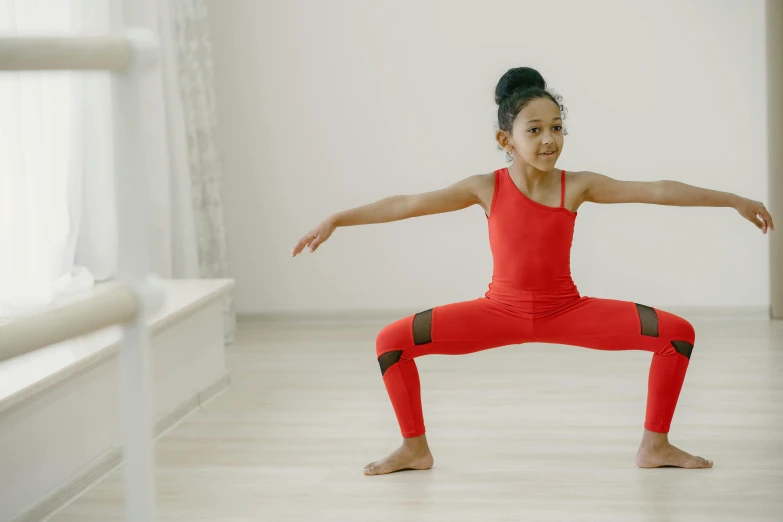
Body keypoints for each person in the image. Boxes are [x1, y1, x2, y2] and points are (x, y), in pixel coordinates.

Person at [291, 67, 775, 476]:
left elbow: (658, 190)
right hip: (496, 312)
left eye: (557, 127)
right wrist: (338, 218)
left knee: (677, 334)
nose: (550, 139)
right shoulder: (486, 188)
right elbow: (405, 204)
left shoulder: (578, 185)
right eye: (536, 129)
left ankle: (655, 446)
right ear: (506, 138)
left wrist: (733, 200)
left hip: (568, 310)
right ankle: (415, 448)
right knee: (391, 343)